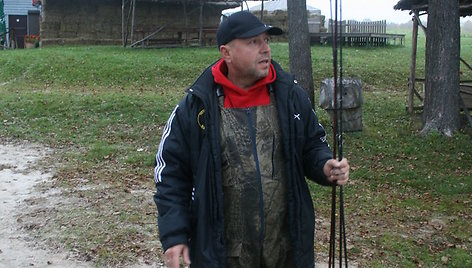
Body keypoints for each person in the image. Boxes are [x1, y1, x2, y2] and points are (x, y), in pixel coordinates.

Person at [153, 11, 349, 268]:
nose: (265, 49)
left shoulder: (290, 97)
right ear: (227, 53)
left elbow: (312, 143)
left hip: (284, 250)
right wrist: (174, 234)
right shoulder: (197, 107)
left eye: (266, 40)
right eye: (253, 42)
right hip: (222, 253)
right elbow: (170, 173)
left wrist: (325, 165)